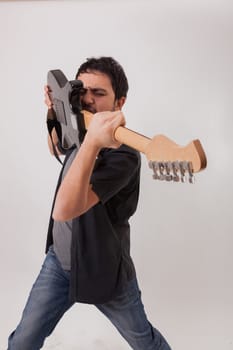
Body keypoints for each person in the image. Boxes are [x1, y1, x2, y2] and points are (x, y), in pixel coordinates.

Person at [8, 57, 172, 350]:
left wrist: (93, 142)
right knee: (23, 341)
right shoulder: (78, 129)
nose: (87, 100)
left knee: (145, 343)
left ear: (119, 102)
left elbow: (65, 209)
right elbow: (57, 145)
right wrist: (55, 111)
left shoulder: (124, 156)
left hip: (103, 268)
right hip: (59, 262)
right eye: (82, 91)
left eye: (98, 94)